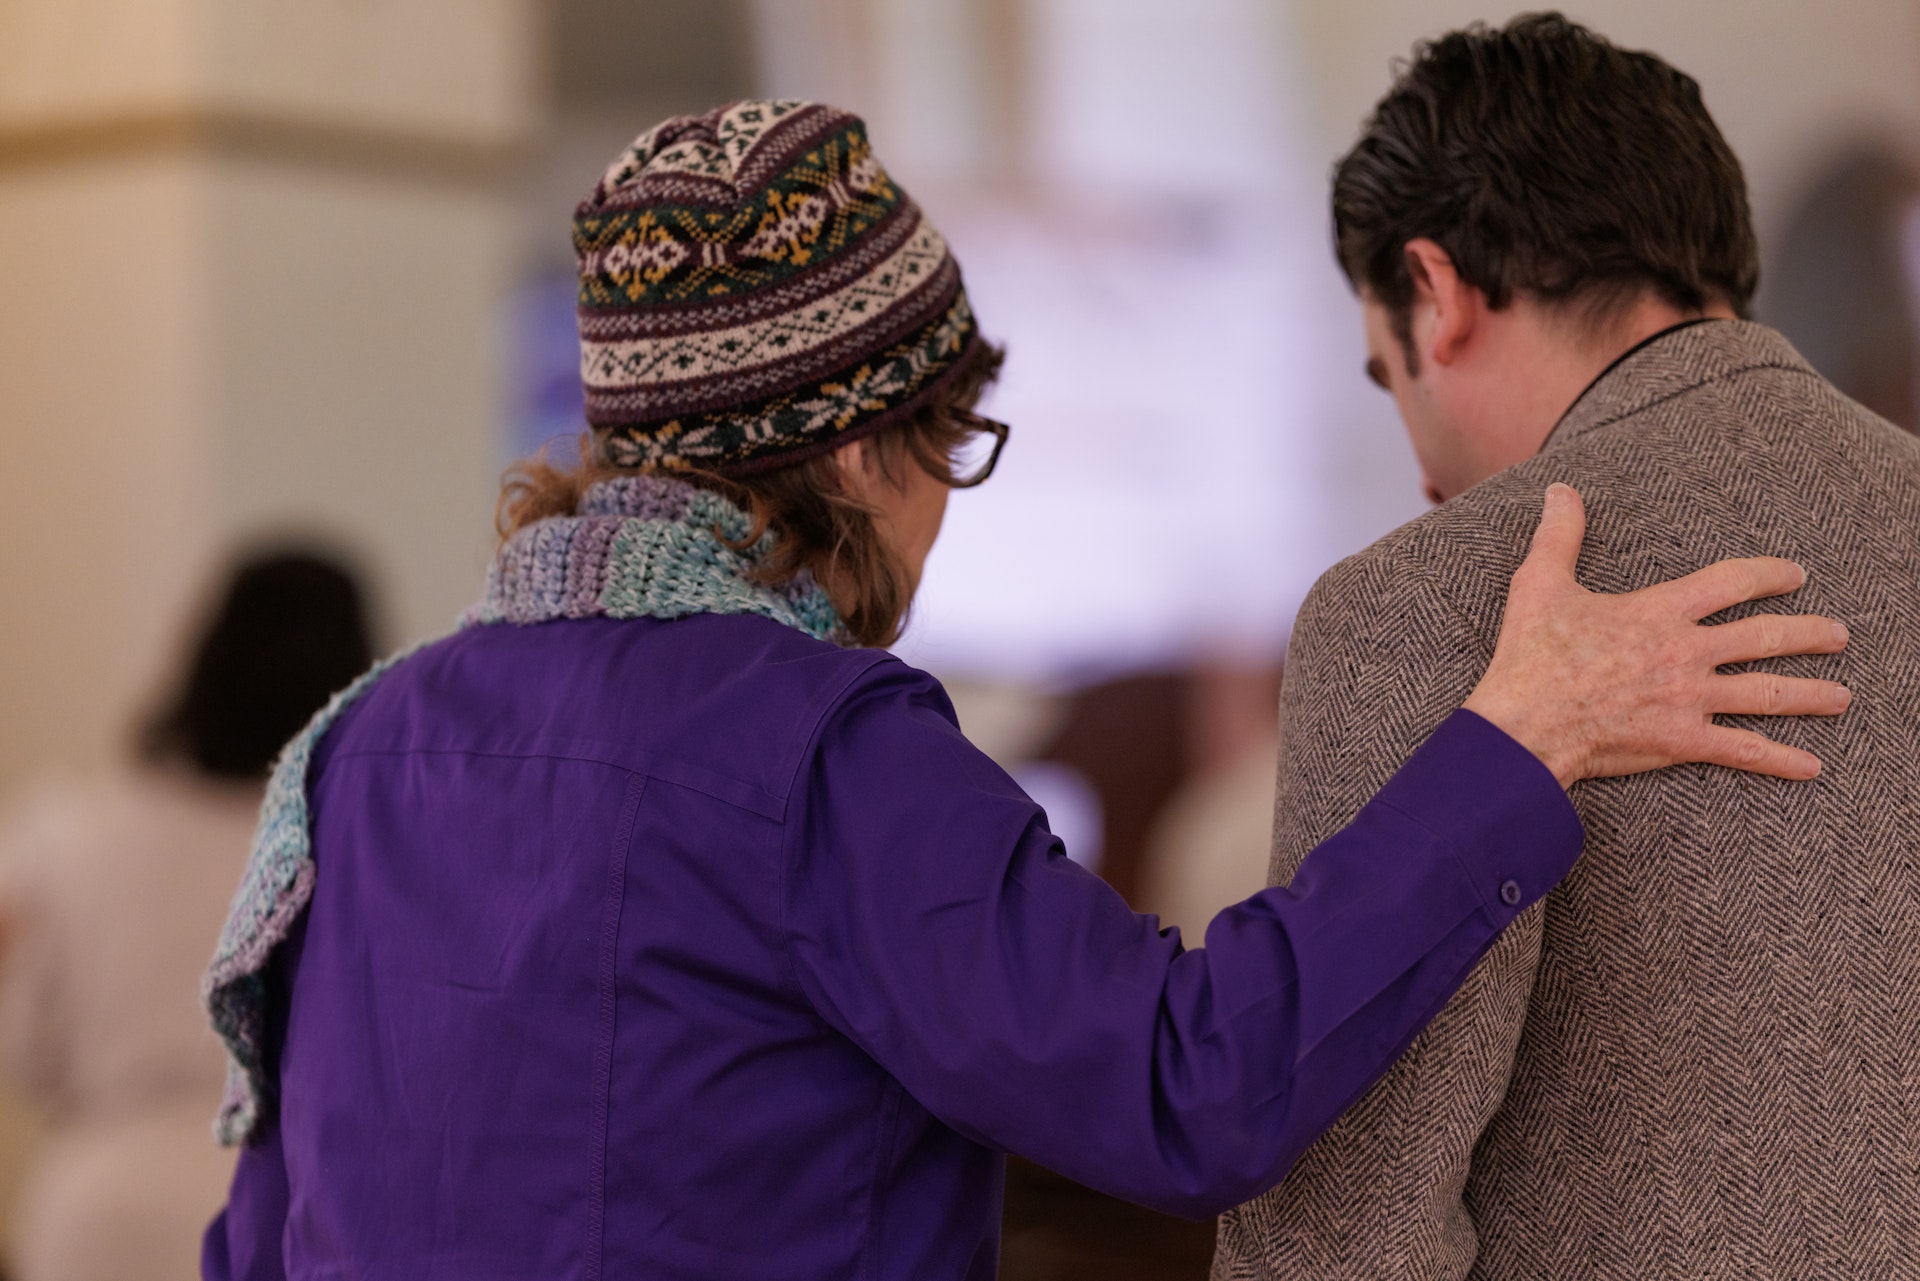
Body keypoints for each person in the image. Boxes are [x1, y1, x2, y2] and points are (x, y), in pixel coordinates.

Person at [197, 101, 1848, 1281]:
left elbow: (258, 1239)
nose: (941, 516)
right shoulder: (817, 753)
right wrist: (1518, 738)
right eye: (952, 445)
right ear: (859, 445)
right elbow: (1188, 1087)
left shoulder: (355, 751)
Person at [1213, 16, 1916, 1279]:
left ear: (1437, 293)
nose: (1421, 472)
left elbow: (1342, 1232)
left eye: (1386, 376)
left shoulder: (1421, 604)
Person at [0, 550, 372, 1281]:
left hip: (98, 1208)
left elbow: (19, 1046)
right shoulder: (363, 850)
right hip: (286, 1208)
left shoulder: (70, 834)